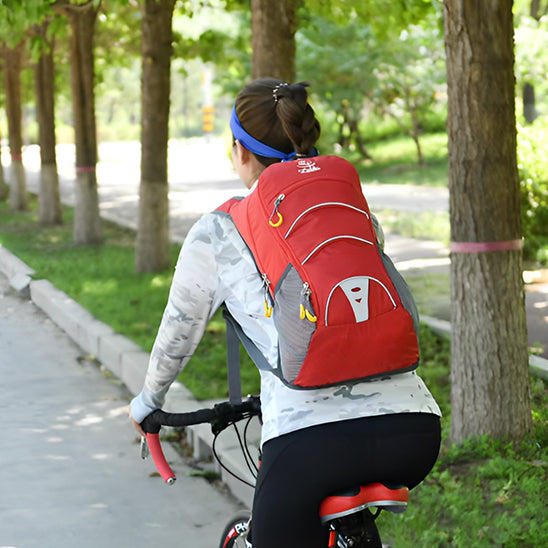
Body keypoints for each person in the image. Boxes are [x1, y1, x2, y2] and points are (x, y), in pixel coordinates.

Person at [130, 78, 442, 547]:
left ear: (239, 150)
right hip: (414, 431)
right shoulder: (346, 208)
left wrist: (147, 404)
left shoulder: (219, 230)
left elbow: (179, 331)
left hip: (309, 447)